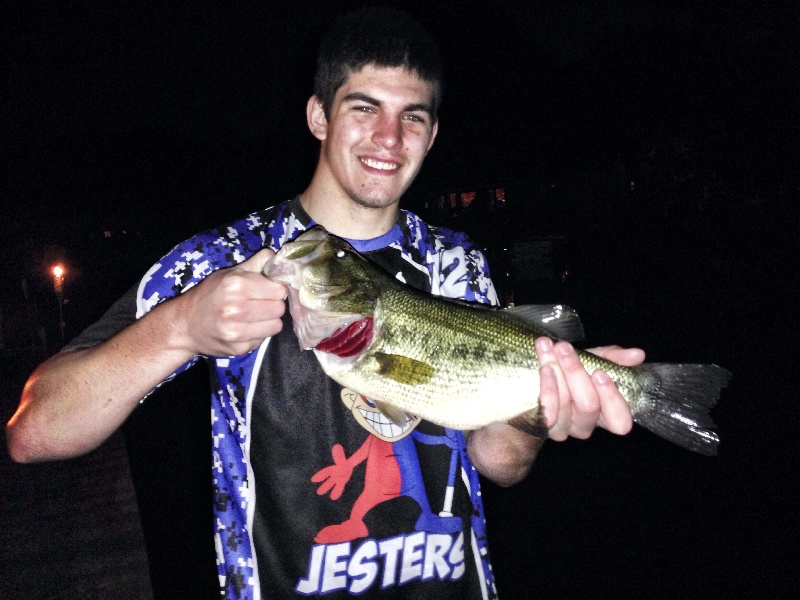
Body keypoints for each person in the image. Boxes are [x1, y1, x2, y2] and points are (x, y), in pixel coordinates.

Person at [7, 7, 644, 599]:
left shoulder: (457, 263)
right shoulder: (227, 257)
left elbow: (498, 464)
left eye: (413, 116)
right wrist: (179, 327)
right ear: (319, 116)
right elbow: (33, 433)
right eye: (364, 108)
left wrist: (545, 410)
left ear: (432, 132)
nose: (389, 138)